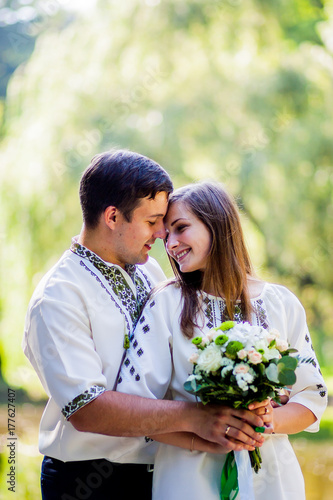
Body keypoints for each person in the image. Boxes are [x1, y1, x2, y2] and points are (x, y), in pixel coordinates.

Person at [23, 151, 267, 500]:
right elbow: (87, 409)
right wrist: (198, 418)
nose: (163, 232)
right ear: (112, 216)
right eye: (152, 221)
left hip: (162, 471)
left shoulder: (149, 271)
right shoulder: (58, 296)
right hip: (88, 481)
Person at [117, 180, 328, 500]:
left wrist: (265, 421)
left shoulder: (281, 303)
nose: (171, 243)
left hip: (272, 480)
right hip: (188, 480)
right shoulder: (167, 304)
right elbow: (136, 409)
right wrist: (203, 431)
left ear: (217, 223)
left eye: (181, 228)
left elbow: (311, 398)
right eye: (166, 236)